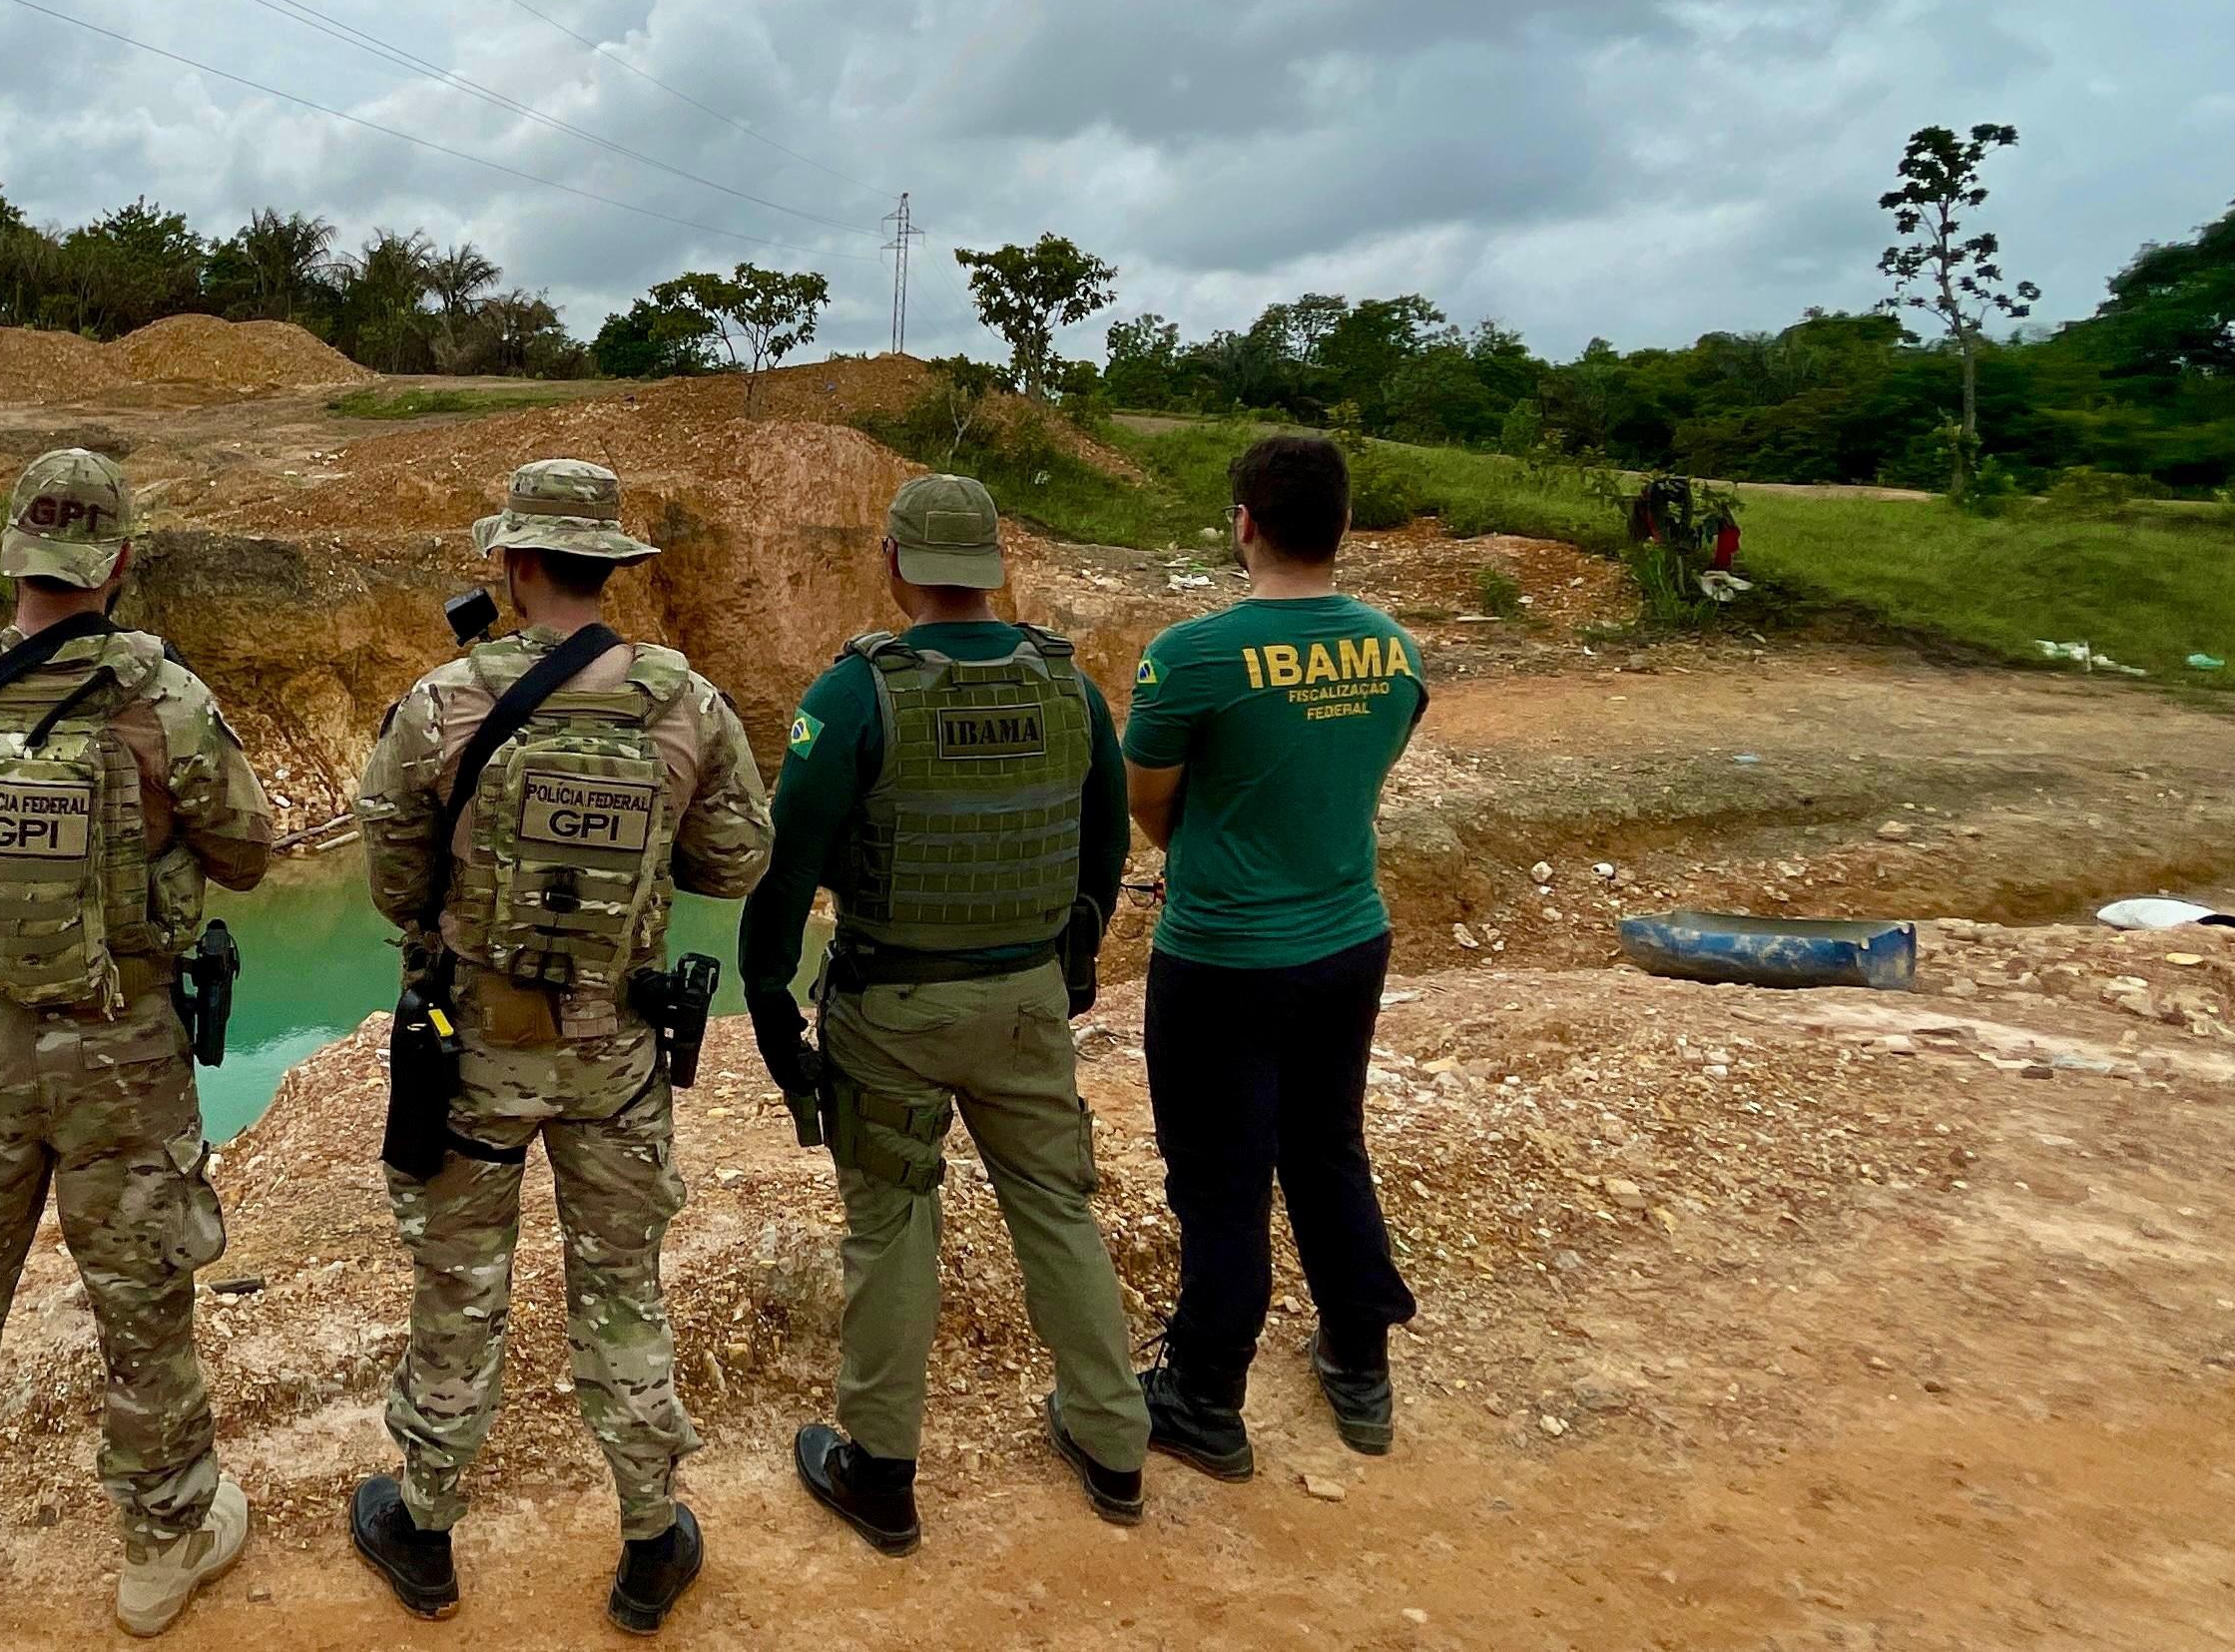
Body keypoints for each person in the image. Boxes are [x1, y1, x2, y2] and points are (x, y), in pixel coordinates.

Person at [0, 448, 275, 1651]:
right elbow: (246, 851)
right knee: (141, 1301)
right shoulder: (163, 701)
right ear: (120, 560)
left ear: (13, 553)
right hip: (121, 1052)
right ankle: (161, 1544)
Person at [347, 458, 774, 1636]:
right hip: (617, 1058)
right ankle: (649, 1540)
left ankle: (425, 1525)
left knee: (459, 1286)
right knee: (623, 1291)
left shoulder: (440, 704)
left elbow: (394, 882)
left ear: (518, 566)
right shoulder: (686, 706)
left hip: (471, 1054)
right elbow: (737, 863)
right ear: (610, 567)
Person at [743, 472, 1150, 1551]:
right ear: (995, 567)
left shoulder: (854, 694)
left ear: (893, 564)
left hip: (891, 1005)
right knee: (1058, 1208)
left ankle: (880, 1471)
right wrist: (1072, 962)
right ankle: (1114, 1445)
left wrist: (769, 1001)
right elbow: (1103, 844)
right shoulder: (1068, 688)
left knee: (892, 1228)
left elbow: (785, 872)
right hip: (1024, 998)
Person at [1123, 431, 1427, 1479]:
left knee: (1220, 1177)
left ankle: (1204, 1395)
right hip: (1349, 938)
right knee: (1327, 1146)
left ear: (1243, 523)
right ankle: (1359, 1359)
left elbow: (1149, 798)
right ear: (1343, 526)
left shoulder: (1192, 655)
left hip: (1221, 957)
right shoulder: (1395, 650)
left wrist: (1207, 857)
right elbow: (1362, 768)